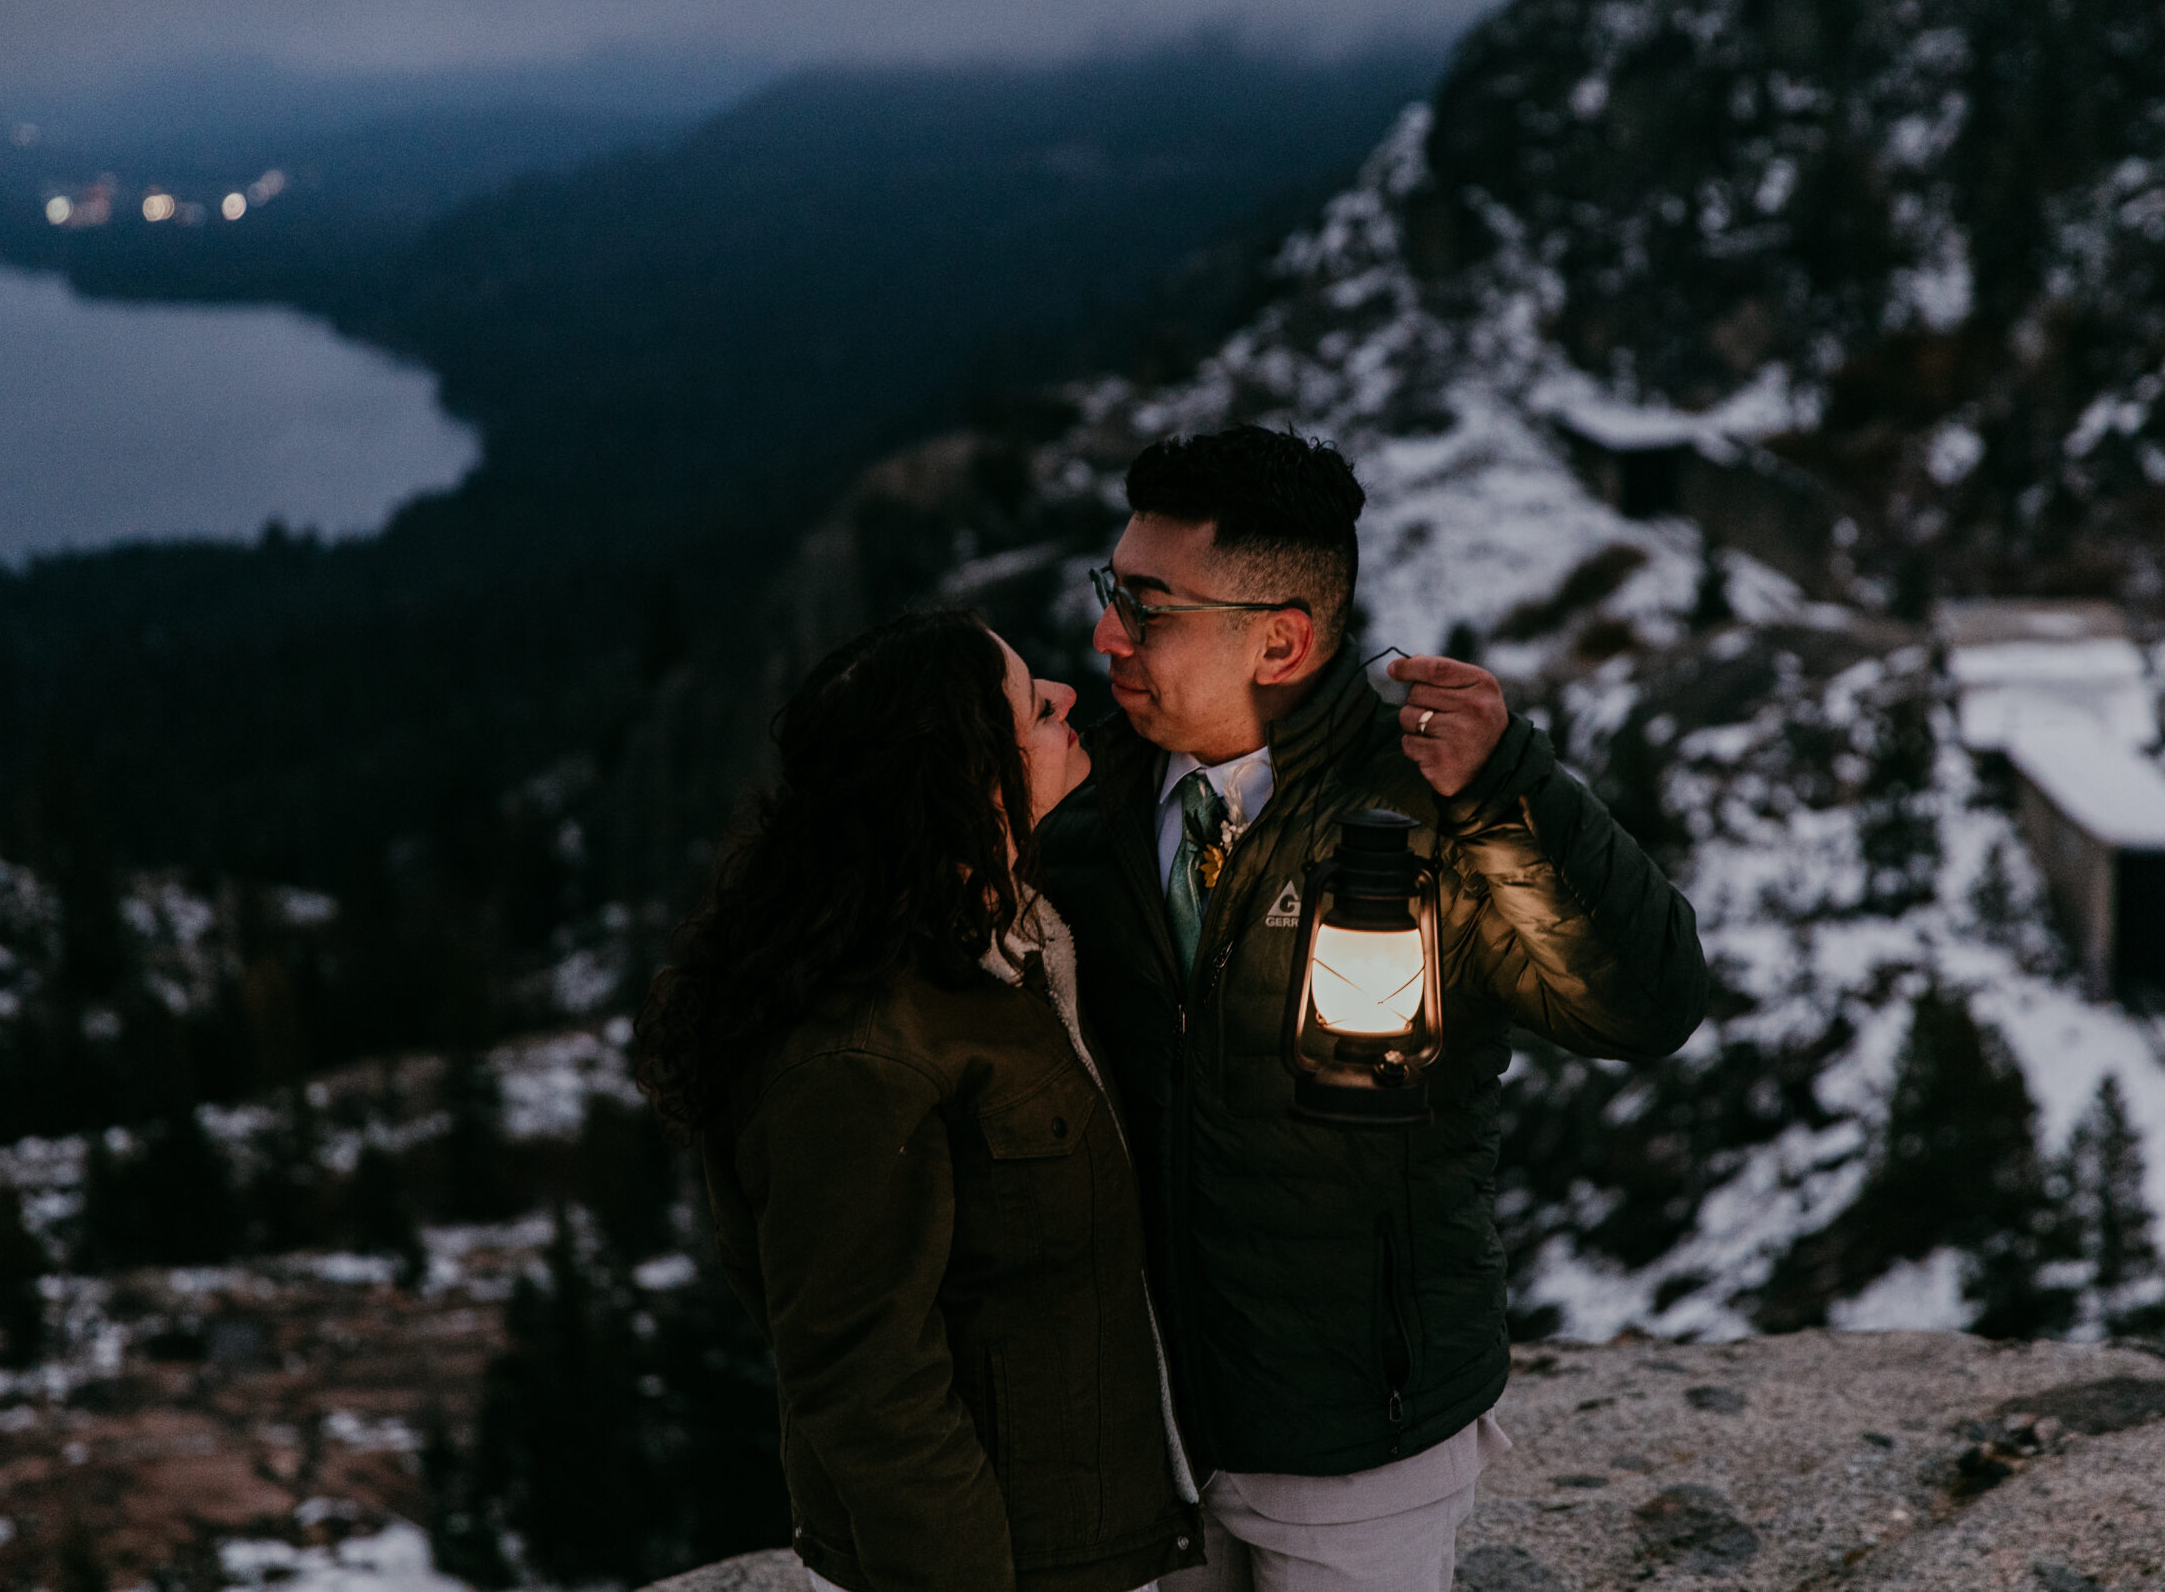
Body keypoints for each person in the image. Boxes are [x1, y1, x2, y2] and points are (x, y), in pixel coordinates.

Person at [1040, 426, 1708, 1591]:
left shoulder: (1431, 799)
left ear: (1281, 639)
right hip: (1140, 1426)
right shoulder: (1082, 790)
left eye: (1146, 605)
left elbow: (1639, 1007)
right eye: (1111, 589)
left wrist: (1512, 791)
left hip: (1362, 1441)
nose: (1106, 631)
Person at [636, 608, 1205, 1592]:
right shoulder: (857, 1052)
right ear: (971, 779)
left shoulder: (1011, 943)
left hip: (1101, 1538)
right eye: (1033, 706)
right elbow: (863, 1382)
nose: (1066, 697)